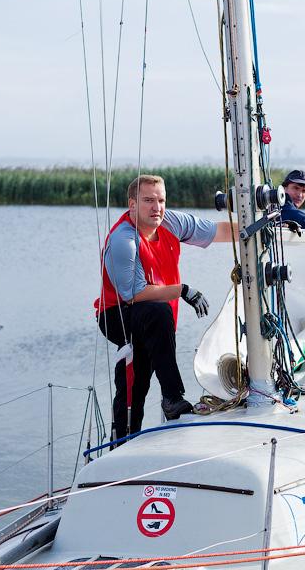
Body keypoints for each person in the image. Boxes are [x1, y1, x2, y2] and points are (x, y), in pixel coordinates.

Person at [94, 175, 234, 440]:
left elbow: (220, 232)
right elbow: (133, 294)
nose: (156, 207)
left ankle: (124, 440)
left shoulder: (171, 222)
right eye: (148, 200)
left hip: (155, 316)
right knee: (153, 325)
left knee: (139, 377)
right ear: (132, 204)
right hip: (117, 314)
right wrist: (183, 290)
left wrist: (264, 230)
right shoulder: (123, 239)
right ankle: (171, 397)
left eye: (161, 200)